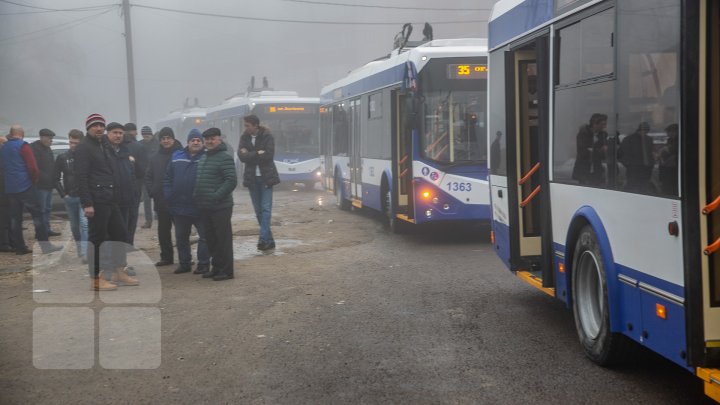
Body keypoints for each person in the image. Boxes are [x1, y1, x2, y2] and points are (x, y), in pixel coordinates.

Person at [75, 115, 137, 291]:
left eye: (101, 125)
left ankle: (119, 272)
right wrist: (87, 203)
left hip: (111, 199)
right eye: (95, 126)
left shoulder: (104, 145)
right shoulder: (84, 148)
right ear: (88, 128)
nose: (99, 128)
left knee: (120, 234)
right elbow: (81, 177)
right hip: (96, 200)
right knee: (97, 240)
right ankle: (96, 278)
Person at [0, 125, 60, 255]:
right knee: (38, 216)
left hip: (10, 188)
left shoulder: (3, 148)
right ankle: (45, 246)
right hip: (25, 186)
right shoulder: (24, 146)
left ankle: (20, 247)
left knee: (15, 218)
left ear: (11, 134)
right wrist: (34, 181)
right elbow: (33, 167)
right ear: (21, 133)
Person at [164, 129, 210, 275]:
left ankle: (203, 264)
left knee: (205, 236)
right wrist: (169, 195)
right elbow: (167, 177)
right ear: (188, 142)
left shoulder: (208, 157)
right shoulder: (177, 156)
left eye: (198, 140)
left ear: (202, 143)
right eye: (193, 140)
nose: (195, 142)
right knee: (181, 237)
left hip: (200, 206)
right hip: (179, 205)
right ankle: (184, 263)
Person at [194, 127, 237, 281]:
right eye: (207, 139)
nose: (209, 141)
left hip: (221, 206)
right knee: (211, 239)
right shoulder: (204, 157)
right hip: (205, 206)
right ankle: (217, 267)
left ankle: (227, 271)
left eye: (212, 138)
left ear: (219, 139)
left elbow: (231, 181)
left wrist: (216, 196)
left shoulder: (224, 157)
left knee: (222, 239)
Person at [237, 114, 280, 251]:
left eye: (247, 125)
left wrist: (250, 154)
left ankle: (262, 239)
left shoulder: (267, 136)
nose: (245, 128)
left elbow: (268, 155)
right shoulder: (244, 137)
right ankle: (269, 240)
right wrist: (257, 153)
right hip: (252, 179)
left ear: (255, 125)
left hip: (266, 178)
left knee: (266, 209)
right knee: (258, 211)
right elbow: (241, 157)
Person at [145, 127, 182, 267]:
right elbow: (148, 177)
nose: (166, 141)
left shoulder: (181, 154)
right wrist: (153, 191)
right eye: (163, 138)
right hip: (161, 200)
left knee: (181, 231)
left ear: (173, 139)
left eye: (168, 138)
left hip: (179, 200)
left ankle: (184, 257)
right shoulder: (155, 158)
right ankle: (166, 257)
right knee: (163, 231)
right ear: (160, 140)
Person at [54, 129, 88, 261]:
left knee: (84, 224)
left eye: (76, 143)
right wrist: (63, 194)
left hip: (84, 196)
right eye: (71, 142)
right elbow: (55, 178)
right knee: (75, 227)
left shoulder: (85, 157)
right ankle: (81, 249)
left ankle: (85, 253)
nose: (73, 145)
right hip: (70, 196)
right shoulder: (62, 157)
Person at [30, 128, 62, 237]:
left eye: (52, 139)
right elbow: (35, 168)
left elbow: (51, 165)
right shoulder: (34, 149)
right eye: (49, 138)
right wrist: (46, 177)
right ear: (42, 137)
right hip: (39, 186)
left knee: (48, 209)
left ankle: (47, 229)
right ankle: (40, 232)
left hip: (48, 185)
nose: (51, 141)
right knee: (41, 210)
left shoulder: (48, 149)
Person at [123, 123, 145, 247]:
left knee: (121, 215)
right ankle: (129, 243)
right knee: (132, 215)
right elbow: (143, 170)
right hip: (135, 185)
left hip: (118, 186)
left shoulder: (115, 146)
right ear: (133, 132)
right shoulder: (139, 147)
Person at [572, 113, 608, 186]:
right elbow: (583, 152)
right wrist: (599, 150)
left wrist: (593, 150)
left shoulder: (603, 135)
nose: (605, 127)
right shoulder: (583, 134)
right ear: (595, 123)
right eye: (603, 124)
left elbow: (604, 154)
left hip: (597, 169)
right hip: (584, 169)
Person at [619, 121, 655, 193]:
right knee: (632, 188)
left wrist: (651, 164)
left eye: (646, 131)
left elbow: (650, 153)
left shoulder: (649, 139)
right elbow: (622, 154)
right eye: (644, 130)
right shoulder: (628, 139)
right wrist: (629, 166)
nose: (645, 132)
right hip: (633, 170)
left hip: (646, 170)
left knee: (643, 189)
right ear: (639, 130)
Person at [138, 126, 157, 228]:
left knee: (158, 197)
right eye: (144, 136)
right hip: (145, 176)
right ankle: (148, 220)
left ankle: (158, 214)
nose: (146, 138)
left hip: (157, 175)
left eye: (148, 136)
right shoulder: (139, 145)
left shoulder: (157, 144)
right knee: (146, 199)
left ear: (151, 135)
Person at [0, 135, 14, 252]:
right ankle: (4, 244)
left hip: (7, 193)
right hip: (4, 194)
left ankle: (9, 242)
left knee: (8, 219)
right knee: (4, 221)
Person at [658, 123, 679, 196]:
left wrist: (665, 150)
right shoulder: (670, 140)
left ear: (675, 132)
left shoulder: (679, 141)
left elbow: (674, 152)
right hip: (667, 168)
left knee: (671, 187)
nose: (668, 134)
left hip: (674, 169)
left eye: (669, 132)